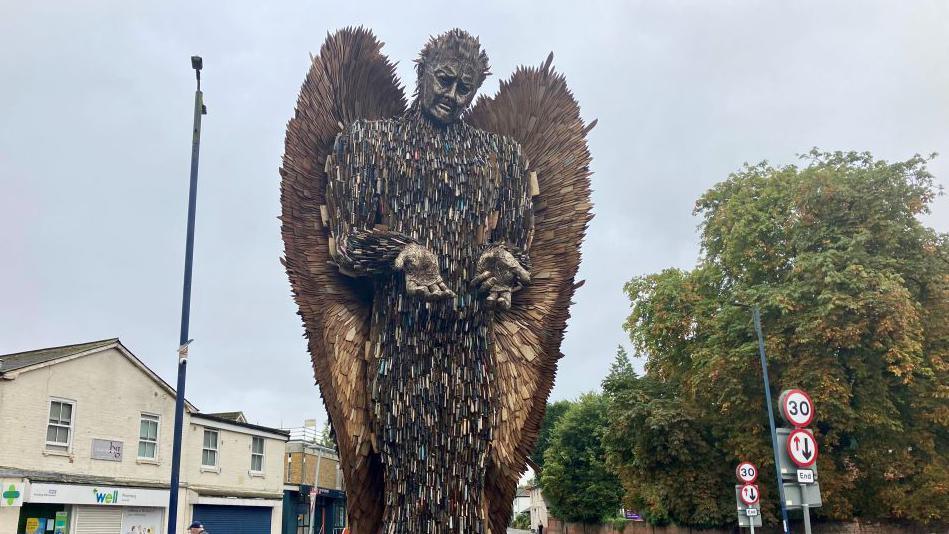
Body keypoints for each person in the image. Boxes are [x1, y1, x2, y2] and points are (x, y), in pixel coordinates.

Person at [326, 28, 532, 533]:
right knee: (407, 479)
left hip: (469, 345)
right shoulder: (371, 143)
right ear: (422, 71)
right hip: (401, 344)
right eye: (444, 81)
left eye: (465, 89)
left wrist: (504, 263)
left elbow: (518, 245)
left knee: (466, 473)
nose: (453, 97)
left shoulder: (502, 159)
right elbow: (346, 244)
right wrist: (402, 252)